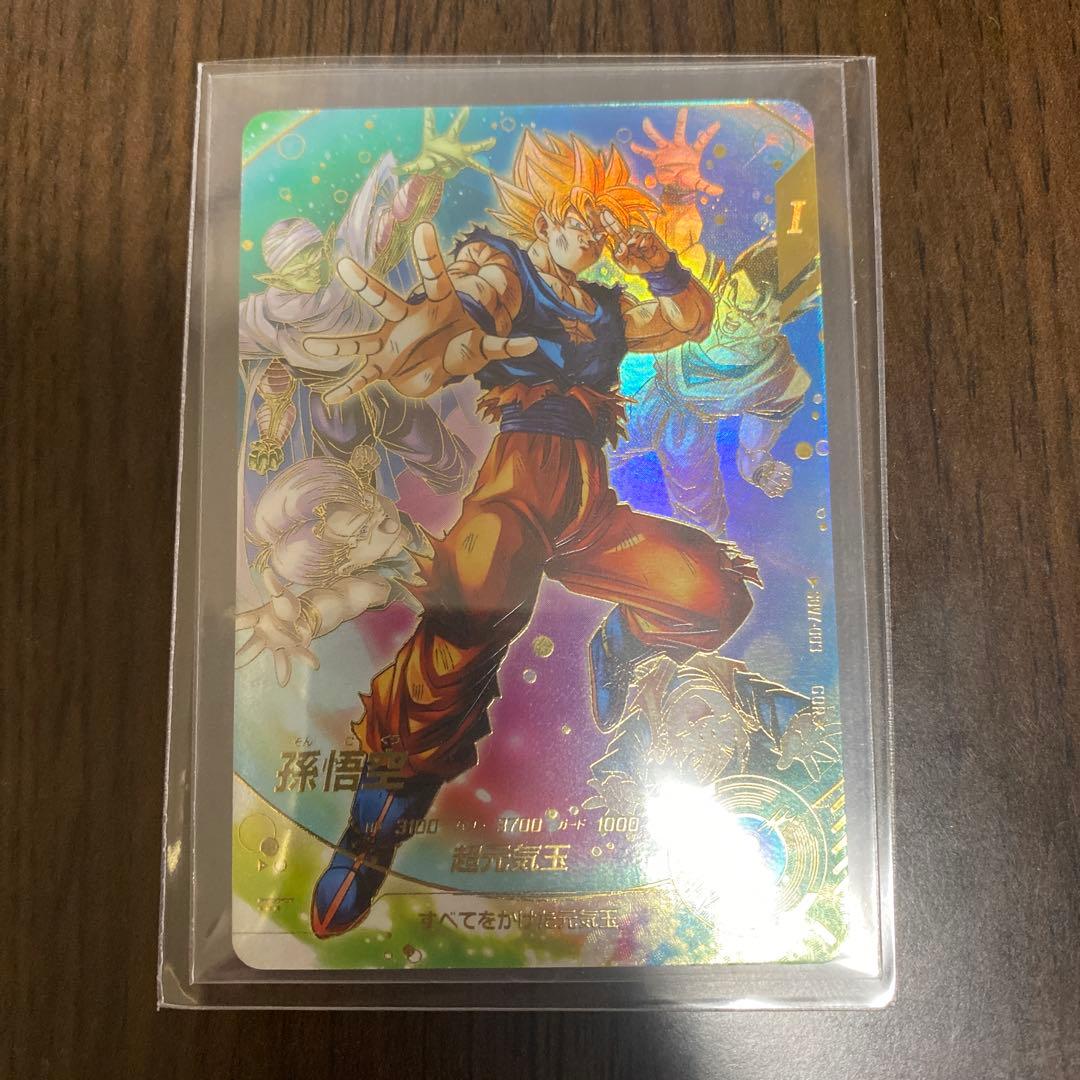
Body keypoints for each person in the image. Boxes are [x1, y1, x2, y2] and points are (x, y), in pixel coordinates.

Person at [298, 129, 762, 938]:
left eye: (601, 224)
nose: (590, 235)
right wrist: (438, 324)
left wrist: (659, 265)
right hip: (513, 498)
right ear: (544, 215)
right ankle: (371, 832)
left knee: (714, 595)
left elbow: (689, 319)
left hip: (587, 512)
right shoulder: (505, 269)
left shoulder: (607, 310)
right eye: (578, 217)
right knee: (461, 630)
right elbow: (469, 302)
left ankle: (621, 645)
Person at [237, 109, 494, 497]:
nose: (312, 268)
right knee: (351, 489)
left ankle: (472, 497)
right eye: (298, 266)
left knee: (444, 460)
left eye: (314, 255)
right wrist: (272, 421)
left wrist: (427, 174)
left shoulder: (348, 262)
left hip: (385, 380)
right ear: (279, 278)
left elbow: (394, 222)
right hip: (333, 406)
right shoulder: (265, 315)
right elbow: (218, 334)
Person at [615, 238, 813, 535]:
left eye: (752, 314)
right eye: (732, 294)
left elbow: (752, 450)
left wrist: (761, 471)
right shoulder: (697, 296)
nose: (731, 316)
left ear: (775, 325)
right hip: (640, 389)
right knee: (581, 452)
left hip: (689, 434)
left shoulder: (777, 376)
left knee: (703, 524)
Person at [235, 445, 433, 687]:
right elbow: (344, 598)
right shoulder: (382, 579)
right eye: (362, 530)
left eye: (366, 499)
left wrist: (360, 472)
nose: (379, 516)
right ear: (346, 568)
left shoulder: (418, 494)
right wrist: (305, 619)